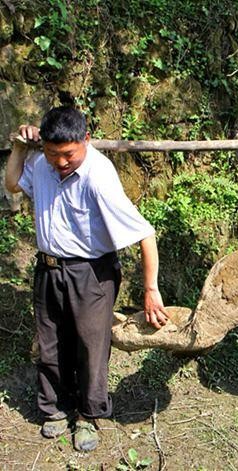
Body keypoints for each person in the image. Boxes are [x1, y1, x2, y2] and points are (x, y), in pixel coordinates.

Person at [5, 106, 170, 451]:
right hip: (48, 268)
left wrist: (151, 290)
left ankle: (88, 415)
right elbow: (11, 184)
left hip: (91, 273)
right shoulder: (41, 164)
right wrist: (21, 147)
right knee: (50, 341)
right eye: (53, 153)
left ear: (86, 140)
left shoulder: (99, 176)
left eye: (68, 154)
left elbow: (145, 233)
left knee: (91, 347)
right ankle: (53, 408)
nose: (61, 162)